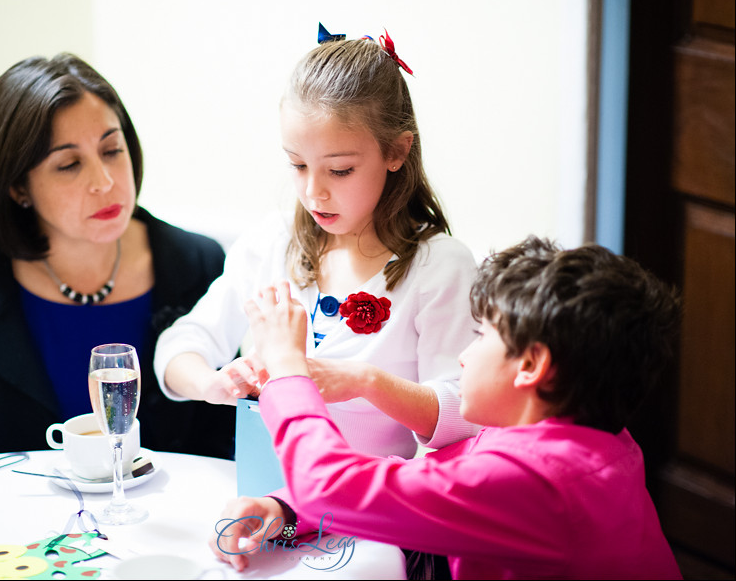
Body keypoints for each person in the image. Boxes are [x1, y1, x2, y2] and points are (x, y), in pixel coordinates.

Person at [212, 236, 683, 580]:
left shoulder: (536, 481)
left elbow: (328, 486)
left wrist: (287, 367)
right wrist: (284, 509)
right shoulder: (591, 441)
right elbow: (408, 482)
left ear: (532, 365)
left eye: (482, 337)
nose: (464, 355)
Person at [0, 53, 232, 470]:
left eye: (112, 150)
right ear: (17, 188)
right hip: (4, 533)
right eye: (69, 164)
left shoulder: (197, 263)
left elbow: (224, 446)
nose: (105, 182)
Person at [154, 28, 480, 461]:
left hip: (371, 515)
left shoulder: (439, 267)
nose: (313, 193)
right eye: (297, 165)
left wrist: (366, 381)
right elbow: (180, 346)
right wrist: (210, 383)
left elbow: (465, 412)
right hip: (267, 503)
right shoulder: (272, 243)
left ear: (397, 151)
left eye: (340, 170)